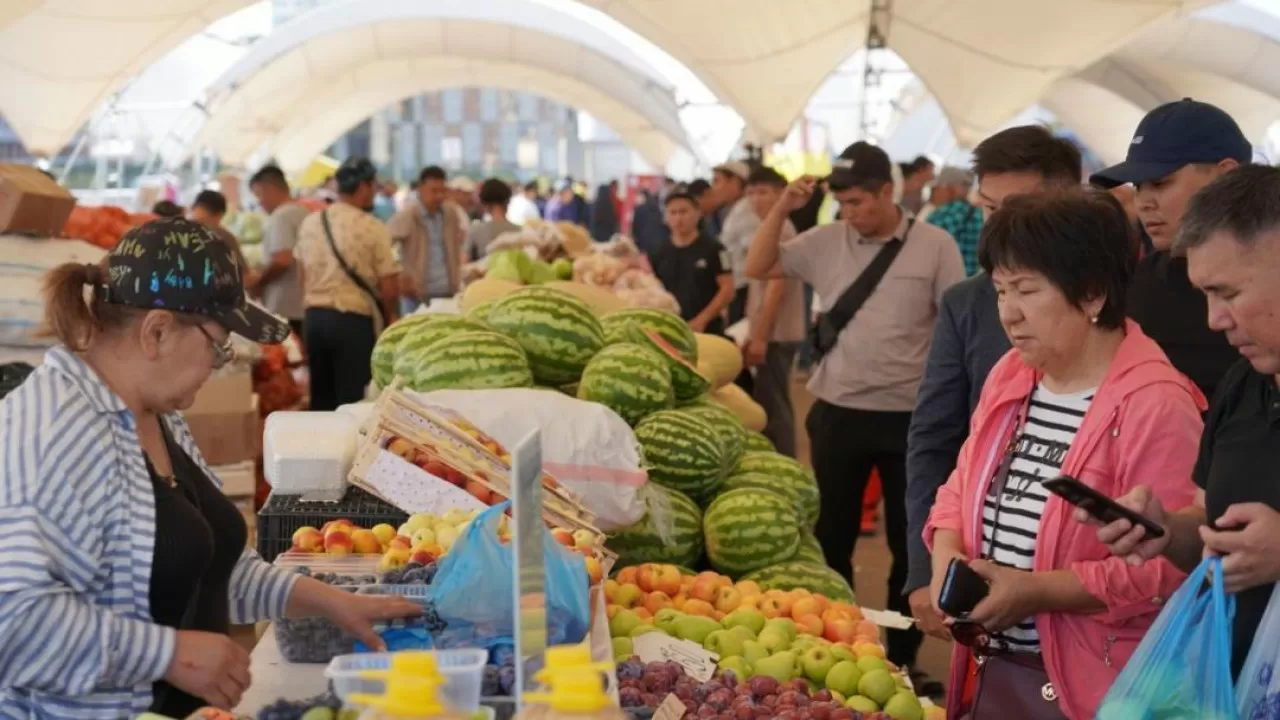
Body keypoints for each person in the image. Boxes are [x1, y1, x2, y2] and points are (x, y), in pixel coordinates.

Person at [0, 217, 419, 717]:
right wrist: (168, 654)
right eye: (217, 345)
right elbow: (13, 622)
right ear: (156, 332)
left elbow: (208, 566)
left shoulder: (157, 414)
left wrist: (334, 602)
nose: (218, 362)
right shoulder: (53, 431)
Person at [925, 191, 1204, 719]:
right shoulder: (1013, 373)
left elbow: (1165, 567)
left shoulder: (1156, 402)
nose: (1009, 313)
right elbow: (959, 486)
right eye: (1001, 291)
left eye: (1027, 290)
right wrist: (948, 565)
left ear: (1093, 293)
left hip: (1096, 686)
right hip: (995, 672)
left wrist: (1036, 592)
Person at [744, 141, 964, 681]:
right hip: (839, 412)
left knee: (909, 543)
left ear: (888, 192)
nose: (850, 213)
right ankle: (843, 646)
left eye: (859, 202)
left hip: (911, 420)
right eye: (841, 203)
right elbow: (758, 264)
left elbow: (955, 327)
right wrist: (782, 208)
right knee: (833, 539)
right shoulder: (825, 240)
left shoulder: (935, 245)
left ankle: (903, 659)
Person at [1089, 165, 1280, 678]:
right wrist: (1165, 531)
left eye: (1229, 293)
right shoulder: (1242, 385)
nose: (1215, 319)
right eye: (1205, 295)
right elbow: (1207, 524)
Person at [904, 126, 1083, 642]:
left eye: (1021, 208)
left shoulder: (1116, 305)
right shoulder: (967, 303)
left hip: (1089, 609)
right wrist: (924, 570)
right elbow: (936, 439)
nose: (1001, 227)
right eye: (989, 209)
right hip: (984, 593)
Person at [1088, 98, 1246, 401]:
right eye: (1137, 187)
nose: (1144, 202)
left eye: (1160, 183)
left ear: (1226, 175)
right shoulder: (1134, 284)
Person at [295, 157, 401, 411]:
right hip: (353, 323)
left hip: (315, 319)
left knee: (321, 400)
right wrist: (393, 316)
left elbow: (302, 274)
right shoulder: (372, 227)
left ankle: (319, 449)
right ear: (364, 187)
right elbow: (388, 284)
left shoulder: (311, 221)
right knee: (352, 403)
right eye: (374, 186)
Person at [740, 166, 805, 457]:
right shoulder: (769, 226)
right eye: (751, 193)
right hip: (770, 331)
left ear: (782, 194)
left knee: (774, 405)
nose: (756, 199)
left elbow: (777, 288)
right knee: (772, 401)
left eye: (764, 192)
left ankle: (784, 465)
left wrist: (760, 336)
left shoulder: (782, 228)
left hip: (776, 333)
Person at [651, 189, 734, 335]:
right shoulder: (659, 252)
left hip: (708, 330)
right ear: (665, 217)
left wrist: (702, 320)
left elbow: (728, 289)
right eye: (673, 213)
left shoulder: (715, 248)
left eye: (683, 212)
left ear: (697, 213)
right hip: (671, 331)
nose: (678, 218)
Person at [388, 166, 466, 315]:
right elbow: (384, 246)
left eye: (442, 191)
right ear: (420, 189)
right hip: (418, 295)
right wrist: (401, 275)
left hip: (448, 291)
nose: (439, 196)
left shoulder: (450, 214)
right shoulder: (408, 215)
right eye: (434, 191)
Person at [248, 166, 310, 338]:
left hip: (286, 306)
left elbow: (283, 259)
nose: (259, 202)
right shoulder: (303, 212)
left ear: (271, 189)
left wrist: (259, 282)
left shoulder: (281, 216)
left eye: (259, 194)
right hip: (305, 304)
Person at [715, 161, 757, 325]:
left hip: (745, 290)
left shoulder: (746, 211)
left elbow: (754, 255)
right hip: (738, 288)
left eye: (718, 181)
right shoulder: (736, 210)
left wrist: (753, 303)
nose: (715, 188)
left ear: (735, 182)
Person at [923, 167, 983, 275]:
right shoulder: (977, 213)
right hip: (971, 282)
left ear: (949, 189)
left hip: (947, 281)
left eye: (937, 188)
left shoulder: (945, 214)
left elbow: (925, 247)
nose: (934, 193)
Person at [187, 189, 249, 276]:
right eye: (196, 222)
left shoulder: (178, 233)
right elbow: (244, 274)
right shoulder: (224, 237)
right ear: (220, 215)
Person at [466, 178, 522, 260]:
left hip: (483, 272)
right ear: (507, 201)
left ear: (484, 202)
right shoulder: (519, 231)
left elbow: (464, 261)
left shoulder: (476, 230)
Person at [630, 187, 669, 258]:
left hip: (644, 243)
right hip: (660, 242)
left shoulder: (639, 209)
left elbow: (635, 228)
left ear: (643, 196)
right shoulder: (658, 207)